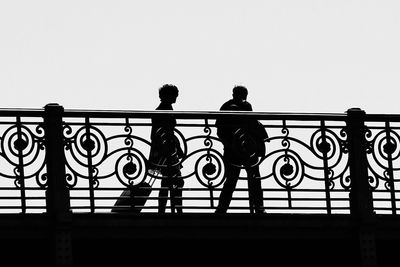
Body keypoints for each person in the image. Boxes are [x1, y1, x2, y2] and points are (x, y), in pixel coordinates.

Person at [215, 85, 268, 214]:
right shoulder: (246, 106)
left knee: (232, 180)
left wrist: (228, 144)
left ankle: (222, 209)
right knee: (254, 178)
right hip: (248, 148)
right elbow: (253, 124)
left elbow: (220, 130)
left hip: (233, 149)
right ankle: (259, 208)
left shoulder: (226, 107)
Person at [147, 84, 184, 213]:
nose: (176, 97)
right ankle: (176, 210)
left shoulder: (163, 109)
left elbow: (159, 133)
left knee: (168, 182)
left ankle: (164, 210)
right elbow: (164, 133)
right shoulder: (164, 110)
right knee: (176, 181)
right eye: (175, 95)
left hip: (164, 149)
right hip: (166, 151)